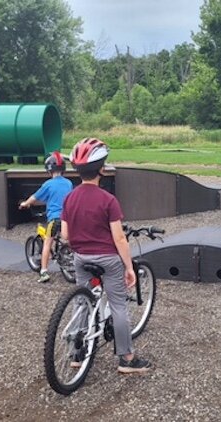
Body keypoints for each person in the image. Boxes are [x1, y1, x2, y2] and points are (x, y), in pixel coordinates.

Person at [60, 137, 152, 374]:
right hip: (107, 260)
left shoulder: (69, 198)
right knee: (118, 305)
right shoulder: (108, 200)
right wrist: (129, 267)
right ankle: (127, 359)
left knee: (82, 301)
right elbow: (120, 239)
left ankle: (76, 354)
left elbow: (65, 235)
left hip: (80, 259)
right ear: (101, 168)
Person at [19, 151, 73, 283]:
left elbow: (34, 197)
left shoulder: (48, 184)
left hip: (55, 219)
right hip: (69, 218)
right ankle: (73, 259)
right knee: (70, 240)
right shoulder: (68, 183)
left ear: (49, 170)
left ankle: (43, 271)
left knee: (47, 243)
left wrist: (25, 203)